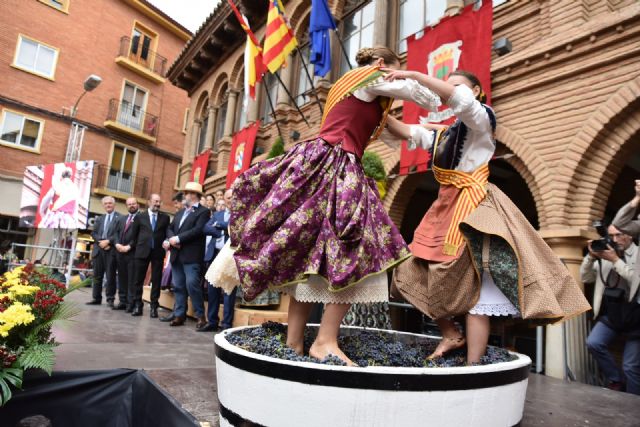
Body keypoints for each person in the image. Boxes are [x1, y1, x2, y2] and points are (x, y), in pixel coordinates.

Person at [230, 46, 442, 364]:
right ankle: (325, 341)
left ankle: (294, 343)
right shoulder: (367, 78)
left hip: (319, 163)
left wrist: (441, 133)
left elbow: (403, 133)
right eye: (392, 70)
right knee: (358, 249)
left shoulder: (366, 98)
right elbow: (426, 98)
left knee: (310, 257)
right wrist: (413, 76)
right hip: (337, 164)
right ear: (383, 65)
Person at [385, 68, 591, 363]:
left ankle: (473, 365)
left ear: (476, 92)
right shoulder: (445, 133)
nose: (447, 89)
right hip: (445, 207)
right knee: (410, 270)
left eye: (455, 85)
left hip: (475, 206)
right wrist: (372, 96)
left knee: (481, 290)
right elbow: (403, 131)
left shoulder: (481, 118)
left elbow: (460, 102)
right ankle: (451, 333)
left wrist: (412, 75)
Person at [582, 224, 639, 394]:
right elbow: (586, 277)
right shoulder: (605, 257)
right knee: (594, 342)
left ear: (630, 235)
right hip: (613, 314)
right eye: (612, 236)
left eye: (619, 235)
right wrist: (591, 257)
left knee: (630, 366)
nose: (615, 240)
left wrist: (616, 260)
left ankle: (633, 403)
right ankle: (616, 380)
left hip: (636, 317)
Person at [161, 182, 209, 327]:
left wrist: (178, 238)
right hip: (176, 255)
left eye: (186, 193)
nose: (184, 196)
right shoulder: (180, 212)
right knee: (179, 286)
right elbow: (170, 228)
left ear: (194, 195)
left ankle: (200, 316)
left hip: (191, 256)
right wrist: (169, 239)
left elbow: (198, 230)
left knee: (192, 285)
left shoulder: (203, 211)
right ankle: (179, 315)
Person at [129, 193, 170, 317]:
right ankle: (137, 305)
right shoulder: (140, 217)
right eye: (155, 201)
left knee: (156, 281)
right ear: (149, 202)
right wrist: (137, 247)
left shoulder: (165, 218)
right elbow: (133, 236)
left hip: (157, 253)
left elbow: (167, 233)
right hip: (142, 252)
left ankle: (154, 307)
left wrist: (167, 241)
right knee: (138, 280)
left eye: (159, 202)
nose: (157, 204)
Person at [201, 189, 234, 332]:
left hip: (229, 256)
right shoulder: (217, 214)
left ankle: (226, 324)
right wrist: (221, 230)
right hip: (214, 254)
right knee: (212, 288)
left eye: (233, 197)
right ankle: (212, 321)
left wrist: (220, 226)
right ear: (225, 200)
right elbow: (205, 228)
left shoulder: (240, 215)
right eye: (228, 198)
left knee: (228, 289)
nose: (230, 200)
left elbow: (235, 229)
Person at [87, 196, 120, 307]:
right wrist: (101, 242)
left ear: (114, 204)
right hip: (99, 250)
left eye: (110, 203)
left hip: (111, 251)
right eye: (105, 203)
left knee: (110, 276)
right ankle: (96, 298)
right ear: (103, 205)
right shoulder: (100, 218)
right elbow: (93, 233)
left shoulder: (119, 218)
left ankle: (110, 299)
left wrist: (108, 242)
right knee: (97, 276)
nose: (108, 205)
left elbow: (118, 234)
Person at [112, 197, 139, 311]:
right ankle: (122, 301)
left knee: (131, 280)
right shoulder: (121, 219)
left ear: (137, 205)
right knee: (122, 278)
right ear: (126, 206)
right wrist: (117, 244)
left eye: (133, 203)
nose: (131, 205)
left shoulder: (142, 218)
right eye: (129, 204)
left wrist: (129, 246)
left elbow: (140, 236)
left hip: (132, 253)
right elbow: (116, 233)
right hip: (120, 253)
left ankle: (130, 303)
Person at [39, 164, 79, 229]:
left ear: (61, 176)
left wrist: (43, 214)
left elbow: (45, 201)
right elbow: (76, 208)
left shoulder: (56, 186)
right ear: (70, 176)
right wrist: (75, 222)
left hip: (54, 217)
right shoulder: (75, 189)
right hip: (69, 221)